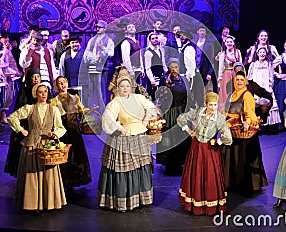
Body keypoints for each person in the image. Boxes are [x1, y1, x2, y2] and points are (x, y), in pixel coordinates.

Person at [97, 76, 159, 212]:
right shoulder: (115, 102)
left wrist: (145, 120)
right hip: (124, 139)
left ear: (131, 87)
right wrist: (119, 128)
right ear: (117, 88)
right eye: (122, 86)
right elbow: (107, 118)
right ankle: (123, 201)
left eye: (127, 86)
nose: (125, 89)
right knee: (124, 170)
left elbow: (151, 108)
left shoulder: (138, 98)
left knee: (140, 167)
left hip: (139, 137)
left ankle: (141, 198)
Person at [7, 83, 67, 215]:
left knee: (48, 175)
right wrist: (21, 130)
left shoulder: (54, 109)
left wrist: (55, 134)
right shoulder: (29, 108)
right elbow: (12, 118)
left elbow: (61, 128)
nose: (43, 94)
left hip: (47, 147)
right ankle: (32, 204)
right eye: (40, 92)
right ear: (36, 94)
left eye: (45, 91)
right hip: (32, 145)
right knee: (32, 175)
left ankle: (48, 202)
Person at [176, 92, 232, 215]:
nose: (213, 108)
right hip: (196, 148)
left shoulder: (219, 118)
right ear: (206, 104)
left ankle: (209, 205)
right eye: (210, 105)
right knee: (195, 174)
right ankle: (195, 203)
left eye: (215, 105)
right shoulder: (199, 112)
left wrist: (217, 141)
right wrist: (189, 130)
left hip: (209, 151)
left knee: (209, 176)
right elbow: (181, 119)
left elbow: (228, 138)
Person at [221, 68, 268, 196]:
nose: (240, 81)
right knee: (231, 158)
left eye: (242, 79)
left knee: (243, 159)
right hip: (232, 130)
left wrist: (247, 121)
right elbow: (225, 110)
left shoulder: (247, 95)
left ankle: (246, 185)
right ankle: (232, 182)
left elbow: (250, 113)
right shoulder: (232, 95)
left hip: (243, 132)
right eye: (237, 79)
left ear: (245, 81)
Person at [50, 76, 92, 192]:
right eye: (59, 83)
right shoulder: (54, 101)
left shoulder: (75, 97)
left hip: (75, 130)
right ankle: (66, 181)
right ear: (56, 86)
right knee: (67, 156)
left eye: (64, 82)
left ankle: (78, 179)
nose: (62, 85)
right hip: (64, 131)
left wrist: (89, 111)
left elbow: (81, 111)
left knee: (77, 154)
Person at [155, 59, 193, 175]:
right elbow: (159, 95)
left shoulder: (183, 79)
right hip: (170, 113)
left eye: (176, 67)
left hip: (182, 112)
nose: (174, 69)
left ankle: (181, 164)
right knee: (171, 138)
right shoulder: (165, 79)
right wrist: (166, 87)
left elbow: (188, 94)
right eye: (171, 67)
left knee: (182, 138)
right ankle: (169, 165)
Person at [4, 68, 43, 178]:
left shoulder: (43, 91)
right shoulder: (24, 92)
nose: (35, 79)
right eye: (33, 77)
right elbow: (19, 110)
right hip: (27, 124)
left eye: (38, 77)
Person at [83, 20, 115, 111]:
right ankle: (91, 113)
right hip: (91, 69)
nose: (97, 29)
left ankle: (102, 112)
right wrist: (93, 59)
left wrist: (102, 48)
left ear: (105, 29)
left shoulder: (108, 41)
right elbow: (87, 53)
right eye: (97, 27)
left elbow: (111, 53)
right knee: (90, 92)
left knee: (100, 93)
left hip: (101, 70)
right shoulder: (92, 40)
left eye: (100, 27)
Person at [248, 47, 281, 132]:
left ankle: (268, 126)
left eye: (264, 52)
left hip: (266, 87)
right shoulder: (253, 64)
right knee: (256, 105)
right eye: (260, 52)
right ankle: (256, 125)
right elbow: (249, 77)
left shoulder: (268, 64)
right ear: (257, 54)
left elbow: (271, 76)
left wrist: (270, 86)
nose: (262, 54)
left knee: (268, 105)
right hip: (256, 88)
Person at [217, 35, 242, 105]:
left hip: (236, 74)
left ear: (233, 43)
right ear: (225, 44)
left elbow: (240, 64)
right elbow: (221, 67)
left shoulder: (237, 52)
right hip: (226, 74)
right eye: (227, 42)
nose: (229, 43)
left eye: (231, 42)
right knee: (226, 93)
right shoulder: (223, 54)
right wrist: (220, 78)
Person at [144, 32, 167, 101]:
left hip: (160, 75)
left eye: (156, 38)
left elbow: (163, 63)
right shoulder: (148, 52)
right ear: (150, 40)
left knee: (161, 95)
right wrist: (152, 80)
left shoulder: (160, 50)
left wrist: (166, 73)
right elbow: (148, 68)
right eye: (153, 38)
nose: (155, 40)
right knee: (153, 96)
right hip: (153, 77)